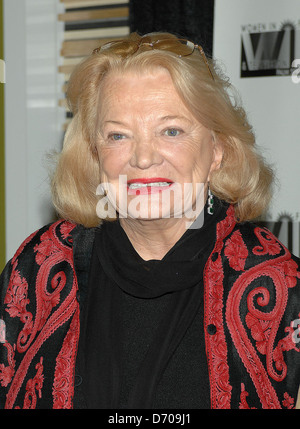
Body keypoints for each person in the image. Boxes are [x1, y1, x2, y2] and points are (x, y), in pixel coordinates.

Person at [0, 32, 299, 409]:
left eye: (170, 131)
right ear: (95, 154)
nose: (142, 159)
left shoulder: (280, 287)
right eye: (118, 135)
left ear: (217, 150)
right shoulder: (40, 265)